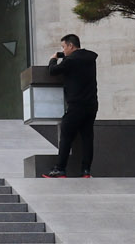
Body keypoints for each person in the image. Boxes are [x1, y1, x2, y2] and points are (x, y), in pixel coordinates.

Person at [41, 34, 99, 179]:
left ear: (71, 46)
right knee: (87, 137)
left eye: (64, 47)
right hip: (91, 104)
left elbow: (53, 71)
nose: (64, 50)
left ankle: (60, 169)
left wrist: (53, 59)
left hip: (76, 104)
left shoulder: (72, 60)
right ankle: (86, 171)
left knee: (66, 134)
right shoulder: (90, 59)